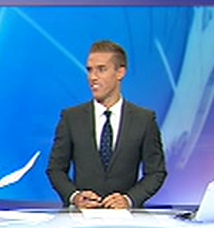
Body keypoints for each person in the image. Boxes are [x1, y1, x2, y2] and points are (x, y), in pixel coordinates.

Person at [46, 40, 167, 209]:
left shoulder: (144, 120)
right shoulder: (71, 118)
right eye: (90, 70)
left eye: (101, 69)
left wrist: (129, 199)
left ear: (120, 73)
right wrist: (75, 197)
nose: (93, 77)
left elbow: (156, 172)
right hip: (80, 218)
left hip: (127, 220)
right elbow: (55, 169)